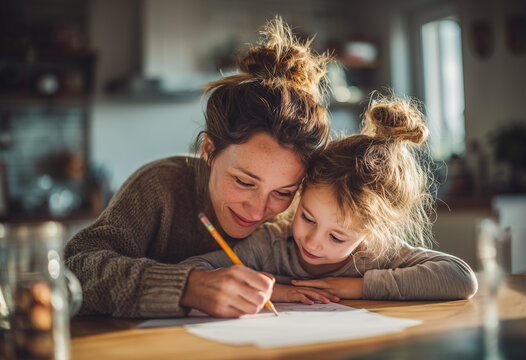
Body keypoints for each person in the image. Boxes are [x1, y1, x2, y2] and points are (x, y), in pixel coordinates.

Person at [64, 17, 331, 318]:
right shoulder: (160, 186)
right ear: (209, 149)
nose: (258, 211)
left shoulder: (305, 214)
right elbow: (76, 266)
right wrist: (188, 286)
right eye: (244, 182)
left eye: (282, 192)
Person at [181, 95, 478, 304]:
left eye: (337, 237)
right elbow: (194, 270)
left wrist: (356, 287)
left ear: (375, 232)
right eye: (307, 217)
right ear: (302, 191)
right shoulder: (272, 244)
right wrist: (273, 291)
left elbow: (461, 278)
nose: (311, 242)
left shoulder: (374, 255)